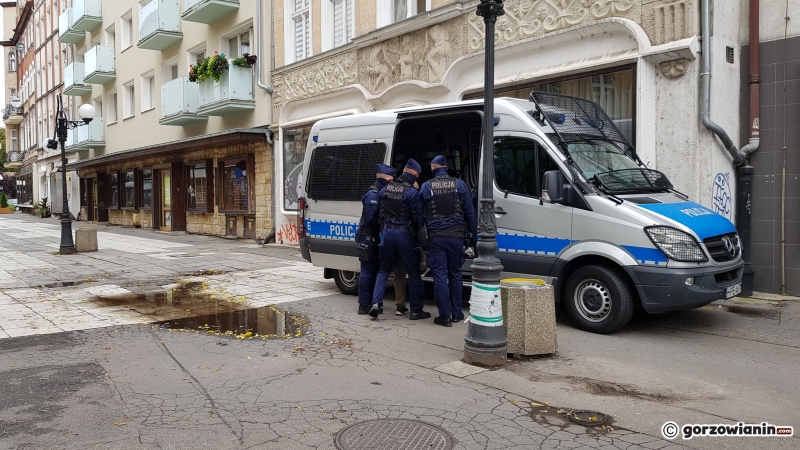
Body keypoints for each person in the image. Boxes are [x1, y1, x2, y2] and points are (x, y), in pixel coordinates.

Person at [370, 159, 431, 320]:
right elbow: (418, 219)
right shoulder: (412, 193)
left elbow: (379, 213)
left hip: (388, 234)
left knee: (384, 270)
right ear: (415, 175)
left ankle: (376, 304)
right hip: (404, 235)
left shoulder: (385, 190)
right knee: (413, 272)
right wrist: (422, 241)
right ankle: (416, 310)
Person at [420, 155, 477, 327]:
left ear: (433, 169)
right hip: (456, 238)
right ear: (446, 168)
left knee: (440, 276)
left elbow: (418, 214)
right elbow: (470, 212)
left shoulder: (426, 187)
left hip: (436, 238)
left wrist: (420, 237)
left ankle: (444, 316)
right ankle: (457, 313)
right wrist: (474, 235)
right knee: (455, 275)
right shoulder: (459, 184)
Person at [355, 163, 396, 315]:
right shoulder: (374, 194)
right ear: (385, 178)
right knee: (368, 270)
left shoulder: (380, 192)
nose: (392, 182)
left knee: (375, 269)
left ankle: (373, 302)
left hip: (372, 236)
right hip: (367, 236)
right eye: (391, 179)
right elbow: (372, 219)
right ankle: (363, 305)